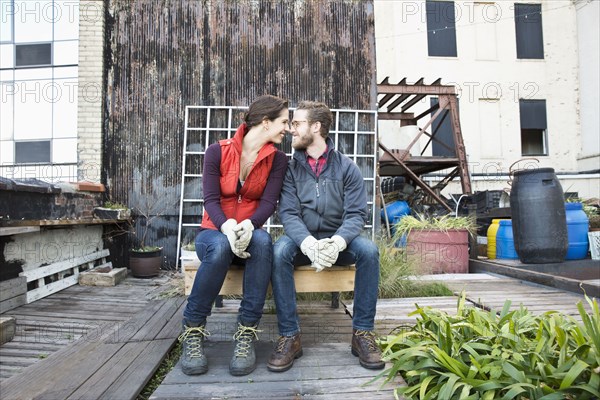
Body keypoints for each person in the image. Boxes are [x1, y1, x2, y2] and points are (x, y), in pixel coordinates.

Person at [267, 100, 384, 372]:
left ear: (316, 127)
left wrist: (338, 242)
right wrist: (307, 243)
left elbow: (356, 214)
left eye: (297, 124)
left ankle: (362, 334)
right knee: (278, 252)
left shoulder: (347, 168)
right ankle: (290, 335)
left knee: (369, 252)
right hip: (301, 240)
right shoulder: (289, 169)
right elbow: (288, 213)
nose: (291, 130)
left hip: (337, 242)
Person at [179, 95, 289, 377]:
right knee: (218, 249)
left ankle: (246, 333)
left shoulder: (277, 160)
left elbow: (269, 203)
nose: (287, 128)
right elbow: (211, 199)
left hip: (252, 235)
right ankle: (192, 331)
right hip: (213, 231)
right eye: (284, 122)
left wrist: (250, 225)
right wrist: (227, 227)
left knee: (264, 242)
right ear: (266, 123)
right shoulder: (217, 151)